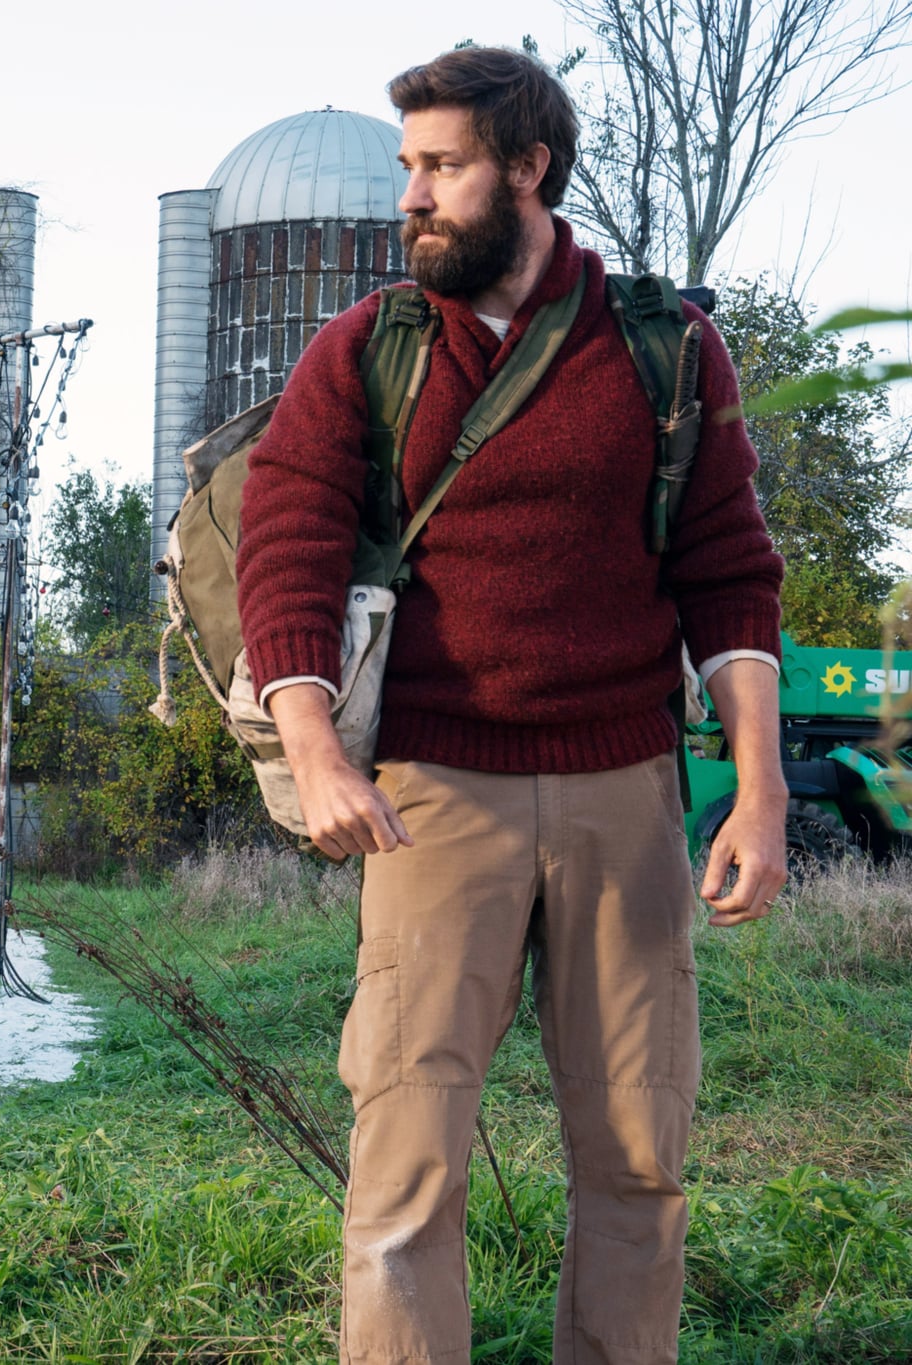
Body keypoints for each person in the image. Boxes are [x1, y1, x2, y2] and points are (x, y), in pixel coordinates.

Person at [234, 48, 787, 1365]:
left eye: (441, 166)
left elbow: (729, 574)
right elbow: (287, 551)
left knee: (643, 1158)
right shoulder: (366, 351)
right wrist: (315, 753)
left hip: (625, 791)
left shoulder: (664, 351)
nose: (410, 197)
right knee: (407, 1166)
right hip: (432, 797)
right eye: (407, 167)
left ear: (528, 171)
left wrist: (759, 792)